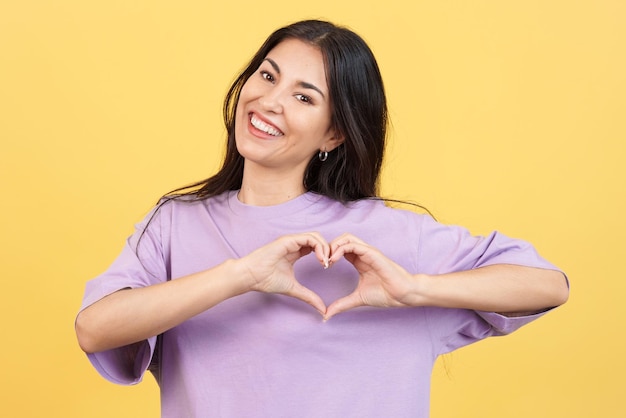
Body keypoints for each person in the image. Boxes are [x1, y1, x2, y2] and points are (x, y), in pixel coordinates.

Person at [75, 19, 569, 417]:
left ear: (333, 135)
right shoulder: (174, 226)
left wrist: (415, 290)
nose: (269, 101)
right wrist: (241, 275)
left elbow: (547, 286)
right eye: (268, 75)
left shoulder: (386, 237)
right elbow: (94, 329)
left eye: (304, 96)